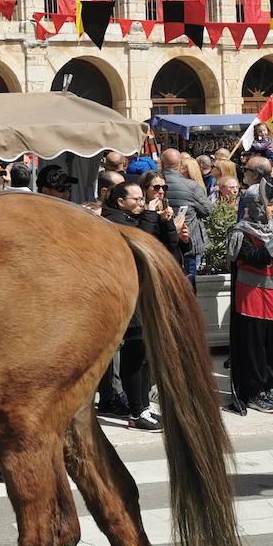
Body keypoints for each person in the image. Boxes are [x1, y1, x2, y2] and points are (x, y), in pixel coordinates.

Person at [101, 180, 180, 430]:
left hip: (145, 295)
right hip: (127, 296)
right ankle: (136, 411)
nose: (141, 202)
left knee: (144, 355)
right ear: (120, 202)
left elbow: (169, 250)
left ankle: (143, 406)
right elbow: (141, 241)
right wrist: (149, 215)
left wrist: (167, 224)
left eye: (141, 198)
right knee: (135, 355)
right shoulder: (113, 220)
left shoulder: (139, 217)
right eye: (136, 199)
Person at [226, 185, 273, 415]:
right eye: (268, 204)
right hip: (251, 294)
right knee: (253, 347)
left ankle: (272, 388)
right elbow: (255, 258)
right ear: (255, 206)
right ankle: (253, 392)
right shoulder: (241, 231)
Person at [160, 148, 211, 274]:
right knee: (189, 283)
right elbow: (207, 210)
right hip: (188, 238)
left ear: (162, 164)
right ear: (180, 165)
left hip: (161, 240)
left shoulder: (151, 183)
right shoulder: (191, 186)